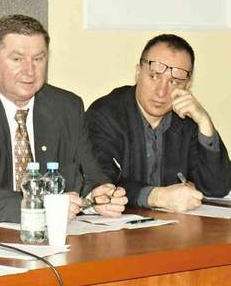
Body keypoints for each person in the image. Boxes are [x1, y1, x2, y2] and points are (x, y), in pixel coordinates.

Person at [0, 14, 127, 223]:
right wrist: (41, 206)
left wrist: (99, 196)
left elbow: (90, 174)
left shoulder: (67, 108)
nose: (29, 71)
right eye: (17, 59)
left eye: (38, 59)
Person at [86, 34, 231, 211]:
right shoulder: (105, 114)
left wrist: (205, 122)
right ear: (138, 73)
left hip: (176, 225)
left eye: (173, 82)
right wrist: (157, 197)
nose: (161, 92)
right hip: (120, 224)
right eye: (154, 77)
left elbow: (218, 188)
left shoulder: (187, 120)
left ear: (186, 85)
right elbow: (101, 184)